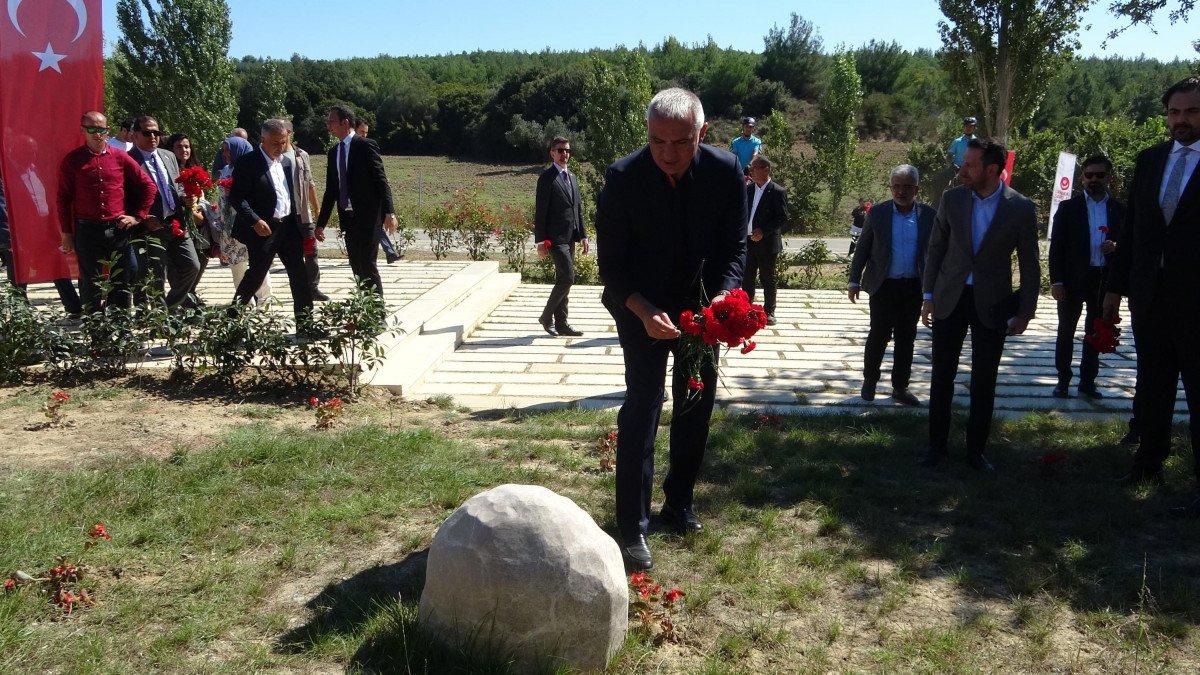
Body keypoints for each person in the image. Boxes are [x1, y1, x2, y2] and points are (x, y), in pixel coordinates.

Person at [596, 88, 746, 571]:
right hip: (639, 304)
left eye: (680, 142)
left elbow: (734, 249)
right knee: (642, 405)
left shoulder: (725, 173)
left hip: (701, 308)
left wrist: (723, 297)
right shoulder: (623, 178)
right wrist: (642, 311)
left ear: (702, 134)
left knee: (695, 404)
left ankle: (679, 502)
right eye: (657, 141)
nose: (667, 153)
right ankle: (633, 525)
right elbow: (611, 269)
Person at [1103, 76, 1200, 505]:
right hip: (1150, 297)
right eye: (1175, 112)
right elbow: (1133, 231)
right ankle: (1147, 466)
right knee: (1154, 385)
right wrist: (1113, 289)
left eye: (1192, 112)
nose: (1182, 120)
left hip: (1197, 302)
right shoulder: (1149, 160)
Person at [920, 138, 1040, 471]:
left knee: (984, 379)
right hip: (950, 297)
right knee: (942, 375)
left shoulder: (1020, 207)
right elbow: (936, 249)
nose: (962, 170)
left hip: (993, 302)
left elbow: (1030, 264)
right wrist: (928, 296)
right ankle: (936, 447)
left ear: (991, 169)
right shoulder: (952, 199)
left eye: (970, 165)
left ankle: (976, 451)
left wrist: (1025, 311)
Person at [848, 164, 934, 407]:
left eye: (907, 187)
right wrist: (854, 280)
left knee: (907, 338)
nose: (901, 192)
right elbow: (862, 248)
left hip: (913, 286)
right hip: (883, 286)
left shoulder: (929, 215)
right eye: (897, 186)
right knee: (879, 335)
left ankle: (900, 387)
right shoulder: (878, 213)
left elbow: (937, 252)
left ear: (916, 188)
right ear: (890, 188)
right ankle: (870, 381)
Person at [57, 111, 156, 313]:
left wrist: (138, 216)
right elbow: (63, 198)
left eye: (101, 129)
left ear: (107, 130)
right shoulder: (73, 160)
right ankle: (96, 330)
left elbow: (149, 186)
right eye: (92, 129)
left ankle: (118, 325)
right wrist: (66, 233)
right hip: (87, 229)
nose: (97, 134)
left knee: (123, 277)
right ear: (83, 130)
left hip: (117, 227)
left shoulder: (120, 157)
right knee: (90, 281)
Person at [1049, 154, 1124, 399]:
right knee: (1066, 331)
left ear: (1109, 177)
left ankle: (1088, 382)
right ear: (1082, 177)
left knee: (1096, 331)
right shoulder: (1069, 208)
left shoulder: (1119, 209)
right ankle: (1062, 380)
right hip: (1072, 279)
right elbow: (1056, 247)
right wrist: (1056, 280)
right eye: (1088, 175)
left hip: (1102, 280)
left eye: (1099, 175)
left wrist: (1117, 246)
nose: (1093, 180)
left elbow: (1131, 242)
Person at [229, 119, 312, 328]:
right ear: (263, 139)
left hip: (288, 227)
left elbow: (287, 195)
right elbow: (237, 198)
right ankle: (231, 320)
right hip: (263, 229)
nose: (280, 147)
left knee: (299, 274)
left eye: (283, 142)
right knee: (256, 274)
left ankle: (306, 324)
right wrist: (255, 220)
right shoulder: (248, 162)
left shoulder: (285, 161)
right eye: (275, 143)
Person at [315, 105, 397, 294]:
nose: (328, 125)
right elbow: (331, 190)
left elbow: (381, 181)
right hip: (348, 217)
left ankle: (377, 315)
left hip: (368, 216)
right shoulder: (333, 151)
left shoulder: (365, 145)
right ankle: (363, 309)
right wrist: (321, 224)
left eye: (331, 121)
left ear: (345, 123)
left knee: (368, 265)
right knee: (356, 265)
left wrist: (389, 212)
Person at [129, 115, 201, 308]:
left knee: (192, 266)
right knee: (156, 276)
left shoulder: (167, 155)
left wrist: (186, 199)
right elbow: (124, 197)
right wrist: (142, 218)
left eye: (157, 132)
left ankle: (167, 309)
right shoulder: (128, 160)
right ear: (135, 135)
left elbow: (175, 187)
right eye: (147, 133)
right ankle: (158, 322)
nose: (153, 136)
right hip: (149, 227)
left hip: (175, 222)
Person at [0, 173, 82, 315]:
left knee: (57, 263)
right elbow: (3, 205)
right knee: (19, 269)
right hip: (19, 230)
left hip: (44, 225)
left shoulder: (37, 169)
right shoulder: (7, 171)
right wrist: (8, 233)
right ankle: (20, 310)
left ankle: (73, 305)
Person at [534, 136, 588, 337]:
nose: (564, 153)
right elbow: (540, 212)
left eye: (567, 150)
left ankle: (562, 324)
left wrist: (583, 235)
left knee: (563, 279)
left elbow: (578, 208)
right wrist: (540, 241)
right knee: (567, 277)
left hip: (570, 237)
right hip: (554, 239)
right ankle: (546, 317)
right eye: (560, 150)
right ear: (552, 153)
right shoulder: (546, 178)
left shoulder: (572, 177)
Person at [212, 135, 270, 304]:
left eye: (228, 150)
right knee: (236, 266)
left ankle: (265, 301)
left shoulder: (254, 169)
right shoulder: (224, 171)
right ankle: (244, 304)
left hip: (249, 224)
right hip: (229, 226)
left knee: (258, 265)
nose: (225, 154)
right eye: (223, 150)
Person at [281, 119, 328, 301]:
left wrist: (317, 212)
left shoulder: (301, 155)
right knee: (289, 253)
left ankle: (313, 287)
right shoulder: (271, 156)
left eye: (283, 132)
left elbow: (310, 184)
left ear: (289, 133)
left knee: (311, 251)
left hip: (303, 214)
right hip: (283, 216)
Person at [744, 156, 787, 326]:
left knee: (767, 278)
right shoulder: (748, 189)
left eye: (755, 168)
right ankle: (746, 310)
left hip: (767, 244)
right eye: (751, 168)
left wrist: (763, 231)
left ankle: (769, 311)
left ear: (766, 169)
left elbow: (782, 218)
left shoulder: (777, 191)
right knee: (747, 278)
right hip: (748, 242)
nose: (751, 171)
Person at [355, 120, 400, 265]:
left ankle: (390, 253)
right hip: (357, 201)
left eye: (366, 132)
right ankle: (389, 253)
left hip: (372, 200)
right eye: (362, 132)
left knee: (377, 227)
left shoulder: (369, 147)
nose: (364, 135)